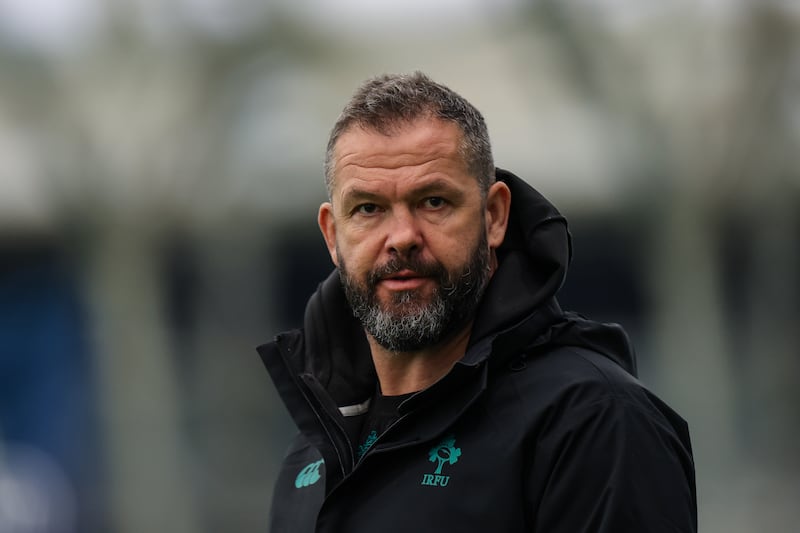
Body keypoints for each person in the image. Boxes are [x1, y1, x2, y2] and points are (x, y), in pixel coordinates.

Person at [258, 71, 697, 532]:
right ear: (332, 234)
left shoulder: (593, 422)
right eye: (368, 209)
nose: (402, 238)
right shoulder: (314, 453)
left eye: (433, 201)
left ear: (494, 216)